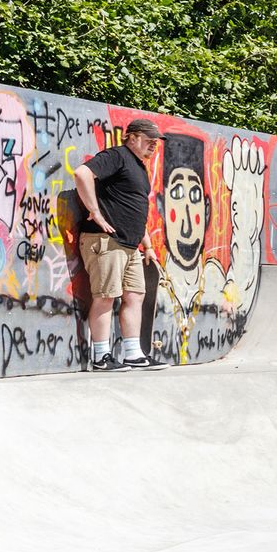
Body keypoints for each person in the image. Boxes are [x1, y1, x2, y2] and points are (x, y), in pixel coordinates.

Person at [72, 119, 166, 370]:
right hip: (106, 241)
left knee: (135, 296)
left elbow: (133, 210)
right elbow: (82, 173)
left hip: (131, 244)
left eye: (156, 142)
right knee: (106, 296)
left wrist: (147, 245)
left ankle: (133, 354)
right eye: (149, 140)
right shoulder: (117, 156)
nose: (153, 145)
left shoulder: (138, 167)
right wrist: (95, 211)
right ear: (132, 137)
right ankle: (101, 357)